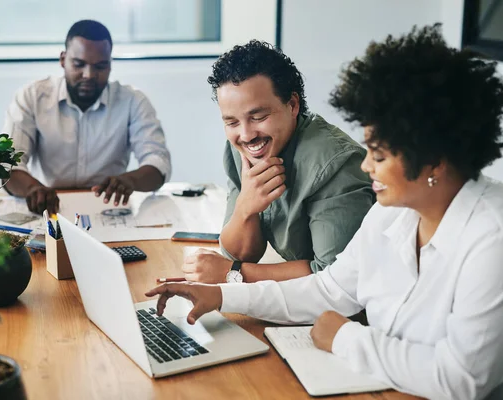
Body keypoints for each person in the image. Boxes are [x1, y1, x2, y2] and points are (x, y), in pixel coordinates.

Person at [146, 25, 503, 400]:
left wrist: (346, 338)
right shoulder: (393, 214)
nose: (366, 166)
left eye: (378, 155)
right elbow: (329, 289)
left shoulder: (491, 240)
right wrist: (219, 296)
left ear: (434, 161)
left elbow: (463, 379)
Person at [183, 40, 374, 284]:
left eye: (258, 117)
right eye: (231, 122)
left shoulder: (335, 164)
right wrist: (245, 208)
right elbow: (240, 254)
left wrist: (234, 275)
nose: (246, 135)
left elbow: (337, 279)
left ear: (292, 105)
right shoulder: (242, 150)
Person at [4, 20, 171, 214]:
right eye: (79, 64)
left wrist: (130, 180)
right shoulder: (32, 97)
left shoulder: (133, 101)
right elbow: (9, 163)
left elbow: (158, 162)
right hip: (48, 206)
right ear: (62, 60)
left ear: (110, 65)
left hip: (107, 208)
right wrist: (32, 189)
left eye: (100, 66)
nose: (89, 75)